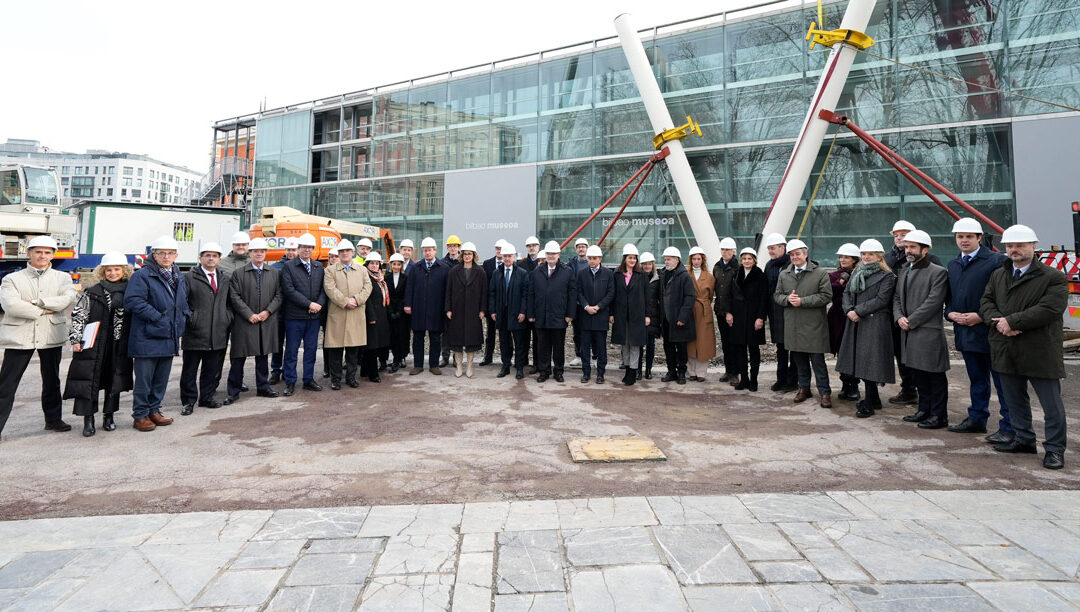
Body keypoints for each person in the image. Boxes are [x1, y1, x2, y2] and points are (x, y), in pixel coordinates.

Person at [981, 224, 1068, 470]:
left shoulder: (1053, 277)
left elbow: (1050, 309)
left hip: (1039, 349)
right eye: (1010, 245)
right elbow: (986, 301)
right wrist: (999, 322)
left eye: (1020, 245)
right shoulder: (999, 274)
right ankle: (1024, 439)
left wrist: (1012, 321)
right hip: (1006, 346)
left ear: (1033, 246)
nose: (1014, 250)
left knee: (1051, 404)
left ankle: (1054, 449)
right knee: (1014, 399)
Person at [0, 236, 78, 438]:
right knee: (7, 384)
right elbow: (10, 305)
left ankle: (53, 420)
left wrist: (37, 301)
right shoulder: (12, 279)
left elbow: (68, 299)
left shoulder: (63, 278)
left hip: (50, 334)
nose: (42, 256)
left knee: (52, 380)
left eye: (47, 252)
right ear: (29, 253)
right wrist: (44, 310)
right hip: (19, 336)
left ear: (53, 254)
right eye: (38, 252)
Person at [944, 218, 1013, 442]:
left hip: (992, 332)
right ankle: (977, 418)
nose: (964, 240)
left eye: (969, 237)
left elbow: (1004, 297)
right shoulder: (954, 264)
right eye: (960, 237)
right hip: (966, 332)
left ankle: (1009, 426)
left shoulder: (996, 261)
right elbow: (951, 297)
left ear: (979, 238)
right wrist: (950, 313)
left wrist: (981, 316)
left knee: (1003, 383)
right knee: (977, 379)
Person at [64, 252, 134, 437]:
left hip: (118, 342)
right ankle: (88, 419)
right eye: (108, 270)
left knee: (114, 379)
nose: (112, 273)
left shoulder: (131, 291)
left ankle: (109, 416)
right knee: (89, 379)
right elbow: (79, 314)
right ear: (102, 272)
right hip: (94, 341)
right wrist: (76, 339)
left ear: (124, 270)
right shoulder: (92, 291)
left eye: (116, 269)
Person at [125, 235, 188, 430]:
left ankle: (154, 410)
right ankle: (140, 415)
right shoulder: (143, 275)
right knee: (144, 380)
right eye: (162, 253)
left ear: (176, 255)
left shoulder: (178, 275)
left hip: (168, 336)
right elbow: (133, 301)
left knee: (161, 379)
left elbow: (182, 301)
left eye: (170, 253)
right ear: (154, 254)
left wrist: (184, 316)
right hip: (147, 336)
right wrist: (158, 318)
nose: (166, 257)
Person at [893, 229, 950, 429]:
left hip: (927, 332)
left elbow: (933, 302)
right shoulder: (904, 271)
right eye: (907, 247)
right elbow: (897, 298)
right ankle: (923, 410)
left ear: (925, 250)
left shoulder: (938, 272)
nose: (908, 250)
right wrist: (899, 316)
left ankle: (938, 415)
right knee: (918, 374)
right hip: (908, 331)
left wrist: (911, 320)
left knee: (934, 375)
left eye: (913, 247)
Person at [884, 220, 942, 406]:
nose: (900, 238)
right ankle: (909, 389)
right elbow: (895, 293)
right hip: (896, 316)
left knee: (925, 364)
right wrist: (898, 315)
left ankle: (930, 404)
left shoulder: (931, 262)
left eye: (904, 235)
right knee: (902, 356)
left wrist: (912, 318)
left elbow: (934, 297)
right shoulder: (888, 259)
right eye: (897, 235)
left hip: (921, 322)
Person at [836, 239, 897, 418]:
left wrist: (858, 311)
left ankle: (869, 403)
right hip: (855, 321)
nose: (866, 257)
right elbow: (847, 293)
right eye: (864, 254)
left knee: (870, 363)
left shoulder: (887, 276)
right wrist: (848, 310)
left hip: (874, 322)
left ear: (879, 256)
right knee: (859, 361)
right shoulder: (857, 272)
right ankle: (874, 398)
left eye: (870, 254)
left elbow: (881, 300)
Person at [774, 239, 833, 407]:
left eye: (798, 254)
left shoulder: (820, 273)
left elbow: (826, 296)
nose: (795, 257)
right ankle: (804, 388)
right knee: (799, 361)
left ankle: (825, 392)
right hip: (793, 325)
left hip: (813, 325)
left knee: (818, 362)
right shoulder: (784, 274)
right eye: (792, 255)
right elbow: (777, 295)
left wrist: (803, 301)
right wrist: (787, 299)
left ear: (806, 255)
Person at [224, 237, 282, 404]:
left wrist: (267, 312)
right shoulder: (238, 273)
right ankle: (233, 391)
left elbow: (279, 295)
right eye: (256, 251)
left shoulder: (274, 273)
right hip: (244, 321)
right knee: (238, 357)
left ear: (266, 253)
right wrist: (249, 314)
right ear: (250, 253)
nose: (259, 254)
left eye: (262, 251)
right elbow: (234, 297)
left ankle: (263, 387)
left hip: (266, 320)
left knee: (263, 356)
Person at [179, 242, 232, 415]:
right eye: (207, 255)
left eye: (214, 256)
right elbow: (182, 303)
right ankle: (188, 401)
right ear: (200, 258)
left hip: (217, 331)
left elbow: (229, 303)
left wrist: (226, 318)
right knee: (190, 370)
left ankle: (206, 398)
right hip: (196, 331)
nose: (211, 258)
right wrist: (192, 319)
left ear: (219, 259)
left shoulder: (224, 278)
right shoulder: (189, 278)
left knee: (212, 368)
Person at [279, 233, 326, 396]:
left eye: (310, 247)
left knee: (311, 349)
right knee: (291, 350)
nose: (307, 250)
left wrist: (319, 304)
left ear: (313, 249)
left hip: (313, 317)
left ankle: (308, 379)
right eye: (304, 247)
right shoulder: (289, 266)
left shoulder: (319, 267)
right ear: (298, 249)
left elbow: (323, 289)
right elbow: (289, 290)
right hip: (294, 317)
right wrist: (309, 304)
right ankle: (290, 381)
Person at [323, 240, 371, 389]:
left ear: (352, 253)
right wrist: (345, 301)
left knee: (353, 350)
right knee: (335, 350)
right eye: (341, 251)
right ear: (338, 254)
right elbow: (330, 289)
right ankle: (336, 380)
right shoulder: (330, 271)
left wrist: (356, 300)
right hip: (338, 314)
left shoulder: (362, 270)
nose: (344, 253)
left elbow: (368, 287)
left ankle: (351, 378)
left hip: (356, 313)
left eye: (347, 251)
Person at [528, 240, 577, 383]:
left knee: (558, 346)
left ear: (559, 255)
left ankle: (558, 371)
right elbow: (531, 294)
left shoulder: (567, 271)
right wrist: (531, 313)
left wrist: (570, 314)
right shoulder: (537, 272)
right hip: (541, 316)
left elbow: (572, 294)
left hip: (559, 316)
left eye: (553, 254)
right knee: (542, 346)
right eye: (548, 253)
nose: (550, 256)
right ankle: (544, 371)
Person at [725, 248, 769, 391]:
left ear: (754, 260)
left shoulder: (760, 275)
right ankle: (744, 379)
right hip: (738, 317)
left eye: (749, 259)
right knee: (740, 349)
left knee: (753, 349)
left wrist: (761, 317)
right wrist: (729, 312)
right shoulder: (736, 274)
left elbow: (764, 298)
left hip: (753, 317)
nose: (746, 261)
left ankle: (754, 380)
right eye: (744, 259)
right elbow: (730, 295)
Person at [405, 237, 450, 375]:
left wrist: (446, 307)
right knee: (418, 337)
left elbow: (447, 291)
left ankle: (434, 365)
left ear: (435, 250)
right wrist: (408, 304)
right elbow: (409, 287)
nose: (428, 253)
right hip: (418, 308)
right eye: (425, 251)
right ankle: (418, 365)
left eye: (430, 250)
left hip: (436, 309)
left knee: (435, 338)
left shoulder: (444, 268)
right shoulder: (415, 268)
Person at [445, 242, 488, 378]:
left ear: (474, 255)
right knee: (457, 341)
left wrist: (482, 310)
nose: (467, 256)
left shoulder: (480, 272)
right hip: (457, 310)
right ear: (461, 255)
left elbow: (484, 293)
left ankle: (469, 366)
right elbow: (448, 291)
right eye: (465, 254)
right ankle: (459, 366)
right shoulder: (453, 271)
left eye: (470, 254)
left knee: (471, 340)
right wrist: (448, 309)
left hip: (473, 311)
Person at [763, 233, 798, 392]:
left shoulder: (792, 264)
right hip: (775, 313)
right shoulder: (769, 266)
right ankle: (781, 379)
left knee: (794, 347)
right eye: (769, 248)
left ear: (783, 248)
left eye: (773, 248)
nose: (770, 251)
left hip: (790, 311)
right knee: (781, 347)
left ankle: (793, 381)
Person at [489, 243, 530, 379]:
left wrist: (523, 311)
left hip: (517, 313)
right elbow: (492, 293)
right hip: (502, 313)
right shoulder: (497, 273)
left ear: (514, 257)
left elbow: (525, 295)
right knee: (504, 343)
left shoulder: (522, 274)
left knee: (519, 343)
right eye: (505, 256)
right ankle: (505, 366)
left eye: (509, 256)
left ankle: (519, 368)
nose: (507, 259)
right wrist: (493, 311)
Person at [576, 245, 614, 384]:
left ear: (600, 259)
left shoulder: (608, 274)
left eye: (594, 258)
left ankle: (600, 374)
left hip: (600, 316)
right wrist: (586, 306)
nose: (592, 261)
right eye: (590, 258)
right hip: (586, 316)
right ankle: (586, 373)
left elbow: (611, 293)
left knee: (601, 347)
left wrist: (598, 306)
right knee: (584, 347)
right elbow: (578, 292)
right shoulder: (582, 273)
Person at [611, 244, 648, 386]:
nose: (632, 260)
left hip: (637, 315)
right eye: (630, 258)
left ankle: (633, 372)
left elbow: (647, 297)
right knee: (624, 345)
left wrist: (647, 315)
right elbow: (613, 296)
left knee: (635, 345)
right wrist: (612, 313)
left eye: (634, 258)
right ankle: (627, 369)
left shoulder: (641, 275)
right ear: (624, 259)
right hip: (621, 316)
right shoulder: (617, 274)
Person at [830, 243, 861, 401]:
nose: (843, 259)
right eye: (841, 257)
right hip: (838, 317)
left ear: (855, 259)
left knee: (853, 351)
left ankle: (854, 385)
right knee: (841, 351)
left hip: (854, 316)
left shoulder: (861, 274)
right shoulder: (835, 275)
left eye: (846, 257)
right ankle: (845, 384)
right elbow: (829, 290)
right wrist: (841, 281)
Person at [659, 247, 695, 384]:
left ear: (677, 259)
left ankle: (681, 373)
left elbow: (690, 297)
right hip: (666, 319)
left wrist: (682, 317)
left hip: (678, 320)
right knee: (668, 347)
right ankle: (671, 371)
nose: (666, 262)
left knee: (681, 347)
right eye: (665, 259)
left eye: (668, 259)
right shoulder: (663, 274)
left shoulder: (684, 276)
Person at [269, 237, 299, 384]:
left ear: (298, 250)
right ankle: (275, 371)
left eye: (293, 250)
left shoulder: (301, 266)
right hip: (279, 313)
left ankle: (288, 371)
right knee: (277, 343)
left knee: (292, 345)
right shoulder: (275, 267)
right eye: (288, 250)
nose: (291, 253)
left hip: (294, 312)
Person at [686, 247, 716, 383]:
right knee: (691, 341)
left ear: (702, 260)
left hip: (703, 311)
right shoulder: (687, 274)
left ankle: (701, 372)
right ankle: (691, 371)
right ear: (690, 260)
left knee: (704, 341)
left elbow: (710, 296)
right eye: (694, 259)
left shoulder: (709, 276)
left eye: (699, 259)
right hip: (690, 310)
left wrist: (703, 304)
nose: (696, 261)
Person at [711, 237, 739, 381]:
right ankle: (728, 370)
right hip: (720, 310)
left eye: (727, 250)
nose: (724, 252)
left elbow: (736, 293)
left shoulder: (737, 268)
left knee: (734, 342)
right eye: (722, 249)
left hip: (733, 312)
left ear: (733, 251)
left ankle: (735, 373)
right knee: (725, 342)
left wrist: (730, 312)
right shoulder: (717, 267)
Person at [362, 252, 391, 383]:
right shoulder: (366, 277)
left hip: (381, 315)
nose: (374, 265)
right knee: (371, 345)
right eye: (372, 263)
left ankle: (365, 370)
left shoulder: (380, 278)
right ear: (367, 264)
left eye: (377, 263)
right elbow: (366, 299)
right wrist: (371, 316)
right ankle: (372, 373)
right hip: (371, 316)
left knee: (377, 343)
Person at [438, 235, 463, 367]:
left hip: (459, 302)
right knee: (445, 331)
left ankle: (456, 357)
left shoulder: (463, 263)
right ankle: (445, 356)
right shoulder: (442, 263)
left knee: (458, 330)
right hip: (445, 301)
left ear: (459, 247)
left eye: (455, 246)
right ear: (447, 247)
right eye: (450, 246)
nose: (453, 248)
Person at [567, 237, 590, 368]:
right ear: (576, 249)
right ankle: (579, 355)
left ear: (587, 248)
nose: (581, 249)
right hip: (576, 303)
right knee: (577, 332)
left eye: (583, 246)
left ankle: (593, 356)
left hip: (589, 303)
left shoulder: (592, 261)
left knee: (591, 331)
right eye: (579, 247)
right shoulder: (571, 264)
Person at [480, 240, 504, 366]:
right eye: (497, 248)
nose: (499, 251)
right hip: (491, 304)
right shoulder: (487, 264)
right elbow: (485, 286)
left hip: (505, 305)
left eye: (501, 248)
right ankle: (487, 357)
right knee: (490, 333)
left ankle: (506, 359)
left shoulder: (511, 263)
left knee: (505, 333)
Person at [639, 252, 661, 380]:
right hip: (640, 315)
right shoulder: (638, 277)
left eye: (649, 264)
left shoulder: (658, 279)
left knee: (650, 345)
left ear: (653, 265)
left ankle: (648, 370)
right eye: (645, 264)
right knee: (639, 345)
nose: (647, 266)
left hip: (653, 316)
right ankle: (638, 370)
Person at [386, 253, 410, 373]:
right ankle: (396, 358)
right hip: (390, 312)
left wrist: (400, 310)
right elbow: (386, 295)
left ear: (402, 265)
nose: (396, 266)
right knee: (393, 336)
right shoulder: (387, 278)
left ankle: (401, 357)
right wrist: (390, 310)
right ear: (391, 265)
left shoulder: (406, 278)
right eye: (394, 264)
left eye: (398, 264)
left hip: (402, 313)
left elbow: (406, 295)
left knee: (402, 335)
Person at [521, 236, 541, 372]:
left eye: (534, 245)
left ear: (538, 247)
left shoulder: (543, 263)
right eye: (529, 246)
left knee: (538, 339)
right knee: (524, 337)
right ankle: (522, 361)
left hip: (539, 307)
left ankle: (537, 363)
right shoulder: (521, 264)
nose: (532, 248)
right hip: (525, 306)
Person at [321, 246, 341, 379]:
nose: (333, 258)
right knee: (327, 341)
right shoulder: (324, 271)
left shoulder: (343, 271)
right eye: (331, 256)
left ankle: (337, 368)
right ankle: (327, 367)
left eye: (336, 256)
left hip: (339, 308)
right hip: (326, 310)